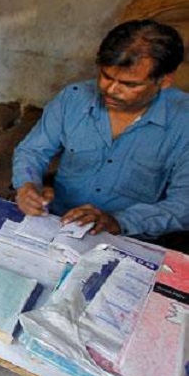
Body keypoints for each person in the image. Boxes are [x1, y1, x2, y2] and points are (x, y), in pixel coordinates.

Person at [13, 20, 189, 243]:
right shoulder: (73, 98)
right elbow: (32, 151)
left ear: (164, 80)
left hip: (127, 238)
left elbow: (184, 204)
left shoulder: (184, 123)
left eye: (129, 84)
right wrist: (27, 185)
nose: (111, 90)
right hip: (55, 223)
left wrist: (119, 221)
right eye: (106, 76)